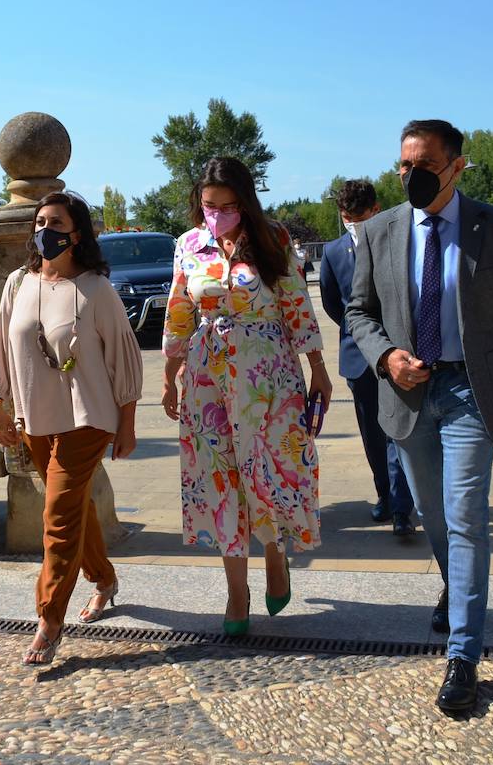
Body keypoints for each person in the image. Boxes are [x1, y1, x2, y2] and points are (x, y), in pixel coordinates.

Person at [345, 119, 493, 714]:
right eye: (402, 166)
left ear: (456, 167)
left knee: (467, 515)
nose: (409, 176)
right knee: (432, 515)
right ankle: (455, 585)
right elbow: (359, 314)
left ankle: (464, 653)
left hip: (470, 389)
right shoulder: (378, 231)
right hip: (409, 394)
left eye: (423, 166)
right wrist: (387, 356)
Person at [161, 157, 332, 637]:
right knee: (220, 480)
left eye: (229, 205)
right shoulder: (188, 245)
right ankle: (238, 593)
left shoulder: (271, 237)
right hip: (208, 377)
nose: (217, 213)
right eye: (209, 205)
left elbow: (296, 302)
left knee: (270, 471)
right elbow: (178, 311)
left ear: (246, 202)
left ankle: (276, 557)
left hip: (270, 376)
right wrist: (169, 372)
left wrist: (318, 368)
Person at [0, 191, 143, 666]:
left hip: (86, 418)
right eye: (39, 220)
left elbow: (125, 360)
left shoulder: (96, 289)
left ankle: (49, 622)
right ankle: (104, 579)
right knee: (74, 511)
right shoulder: (18, 281)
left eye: (55, 221)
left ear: (77, 234)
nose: (44, 229)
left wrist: (127, 424)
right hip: (35, 418)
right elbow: (1, 346)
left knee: (56, 516)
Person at [318, 179, 415, 536]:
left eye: (360, 216)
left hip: (400, 351)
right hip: (358, 358)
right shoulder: (333, 251)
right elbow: (332, 304)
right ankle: (385, 496)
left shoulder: (399, 241)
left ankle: (403, 508)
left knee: (398, 432)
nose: (353, 223)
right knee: (373, 435)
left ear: (377, 210)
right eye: (347, 217)